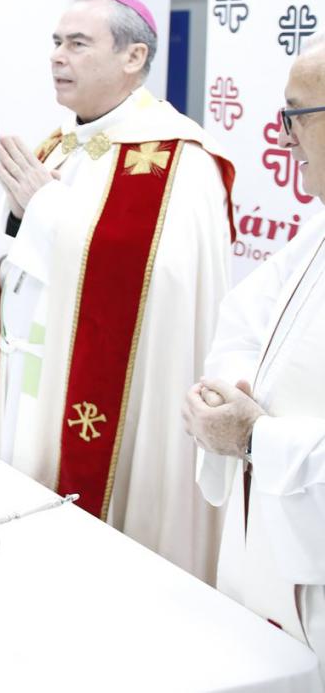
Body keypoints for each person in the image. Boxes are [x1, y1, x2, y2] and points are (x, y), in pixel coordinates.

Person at [0, 0, 236, 581]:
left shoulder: (180, 159)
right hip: (29, 370)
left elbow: (155, 276)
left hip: (103, 389)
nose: (57, 57)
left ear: (133, 56)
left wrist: (43, 205)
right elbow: (8, 255)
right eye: (56, 42)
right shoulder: (55, 142)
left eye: (78, 43)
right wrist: (17, 217)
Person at [185, 34, 325, 673]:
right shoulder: (318, 222)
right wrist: (236, 388)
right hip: (273, 521)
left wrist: (256, 438)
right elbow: (246, 315)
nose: (286, 138)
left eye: (295, 115)